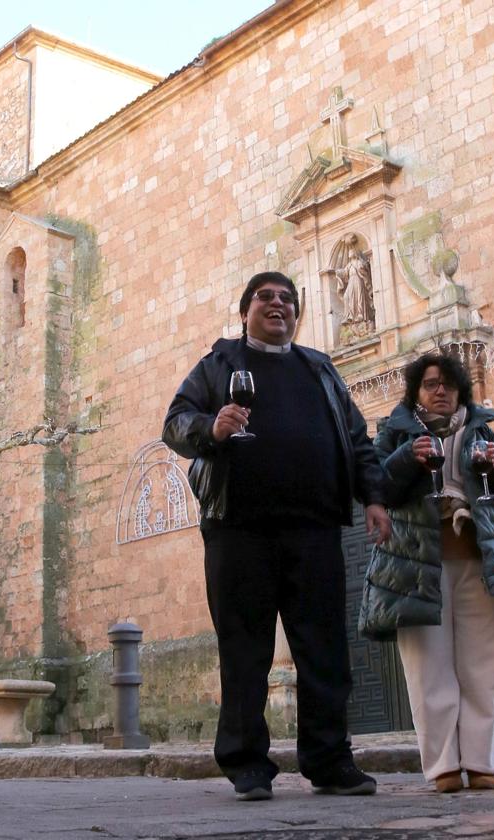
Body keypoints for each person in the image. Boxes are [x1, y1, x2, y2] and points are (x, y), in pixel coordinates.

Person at [163, 271, 392, 802]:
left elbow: (357, 441)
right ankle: (247, 765)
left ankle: (330, 760)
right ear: (245, 312)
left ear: (297, 315)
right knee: (244, 651)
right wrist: (211, 429)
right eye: (265, 297)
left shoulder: (321, 370)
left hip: (313, 531)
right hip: (237, 530)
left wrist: (374, 497)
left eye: (288, 299)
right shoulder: (219, 363)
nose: (278, 305)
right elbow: (175, 423)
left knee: (325, 650)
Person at [358, 352, 494, 793]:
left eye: (449, 385)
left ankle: (480, 762)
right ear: (416, 392)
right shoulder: (395, 433)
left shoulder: (484, 432)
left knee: (481, 668)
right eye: (431, 384)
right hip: (416, 567)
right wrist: (405, 457)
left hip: (481, 562)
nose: (441, 391)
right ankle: (442, 767)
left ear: (461, 391)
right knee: (428, 672)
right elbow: (374, 487)